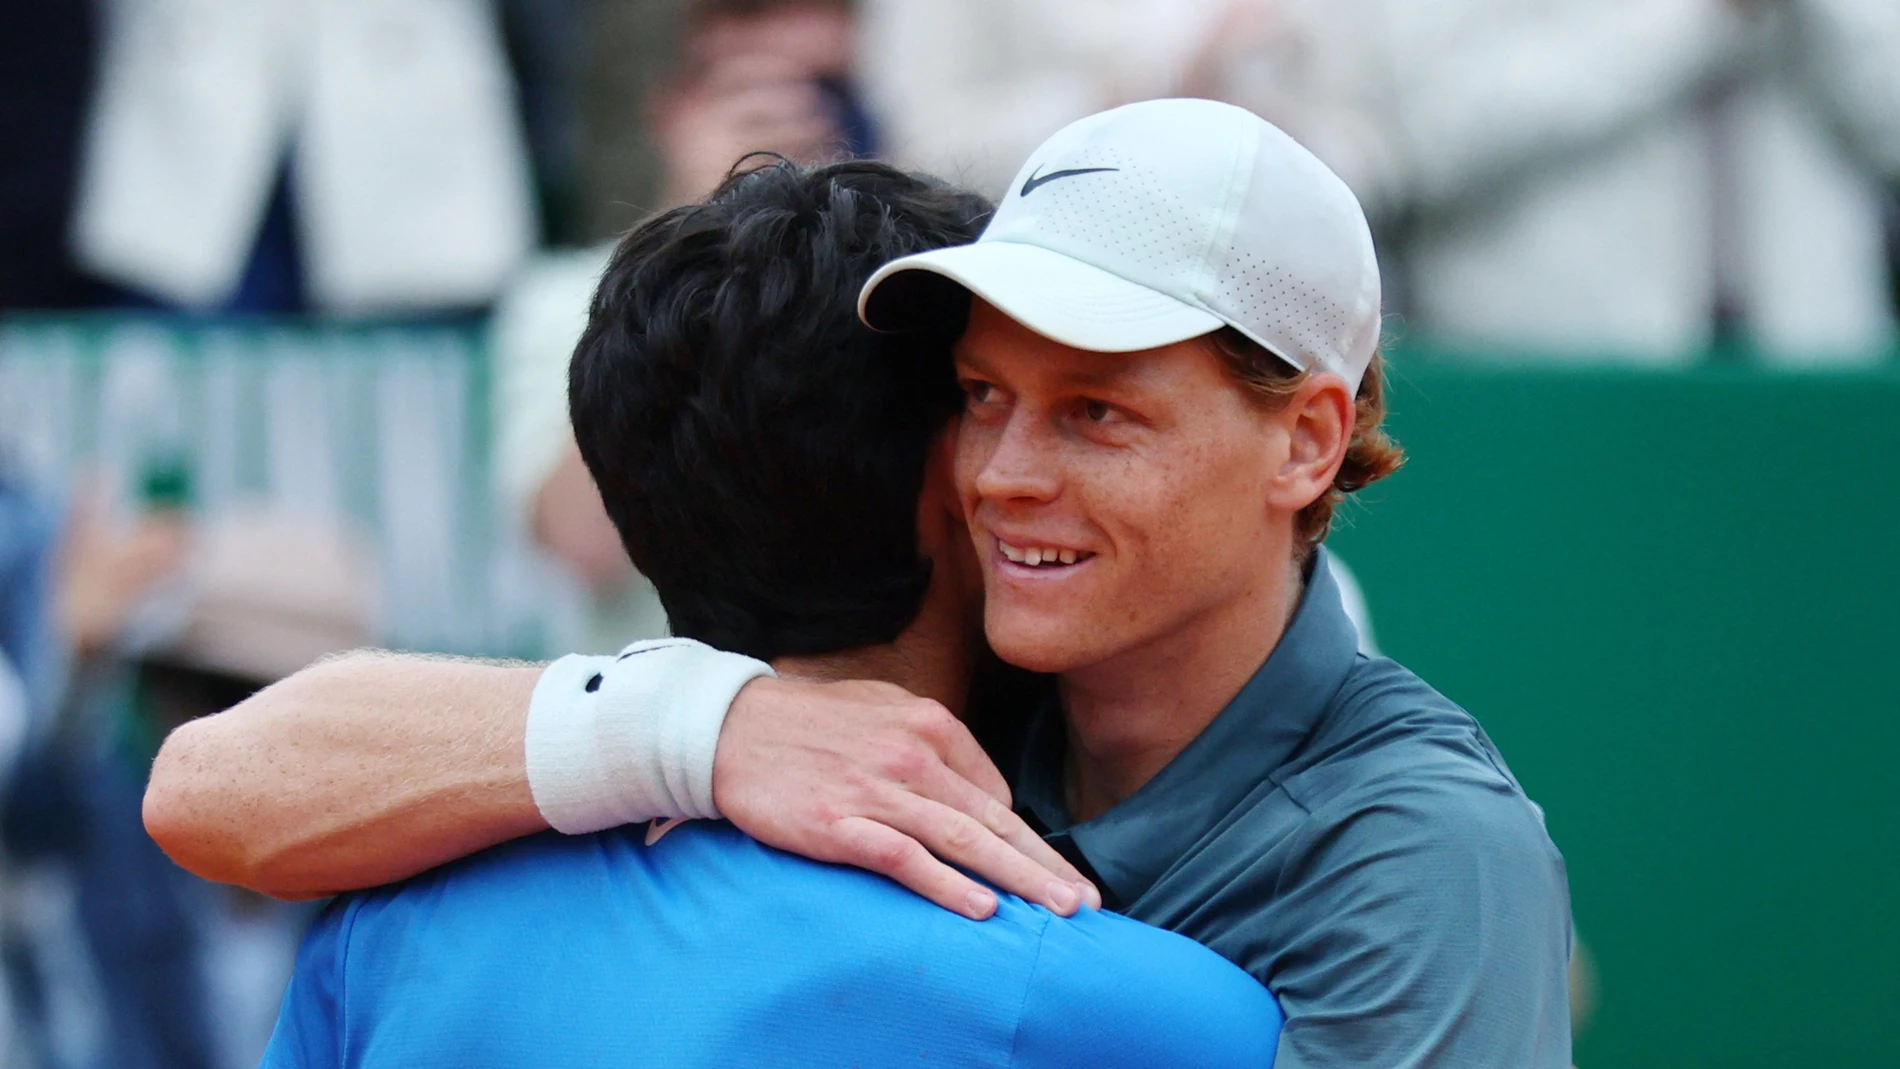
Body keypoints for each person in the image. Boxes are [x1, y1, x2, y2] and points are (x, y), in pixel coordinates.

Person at [149, 102, 1572, 1066]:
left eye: (1096, 411)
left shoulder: (1432, 855)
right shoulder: (923, 695)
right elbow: (213, 783)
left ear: (1307, 441)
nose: (1002, 470)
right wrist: (711, 729)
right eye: (980, 395)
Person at [258, 157, 1283, 1068]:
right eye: (985, 398)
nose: (1020, 464)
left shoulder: (383, 937)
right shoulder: (1163, 1018)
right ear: (950, 482)